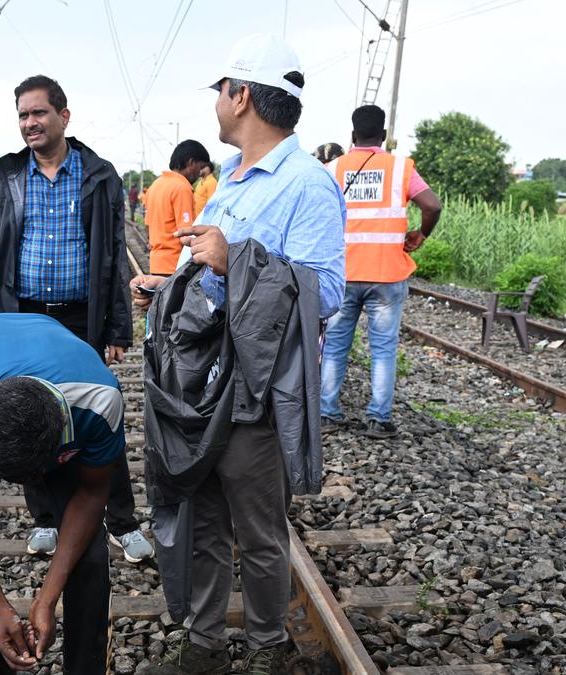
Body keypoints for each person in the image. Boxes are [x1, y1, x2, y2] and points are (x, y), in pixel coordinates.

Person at [130, 33, 345, 675]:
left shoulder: (307, 185)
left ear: (241, 95)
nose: (217, 106)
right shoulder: (230, 181)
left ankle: (266, 646)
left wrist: (234, 257)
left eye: (221, 92)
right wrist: (169, 289)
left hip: (254, 392)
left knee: (258, 531)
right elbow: (215, 278)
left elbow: (327, 291)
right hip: (202, 384)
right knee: (201, 520)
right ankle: (202, 646)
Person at [0, 75, 148, 563]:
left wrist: (117, 327)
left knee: (98, 414)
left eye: (39, 113)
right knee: (30, 416)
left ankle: (122, 521)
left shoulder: (99, 175)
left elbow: (113, 255)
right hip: (24, 315)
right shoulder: (8, 176)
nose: (30, 123)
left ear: (63, 116)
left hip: (79, 317)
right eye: (23, 115)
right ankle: (46, 519)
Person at [0, 313, 124, 674]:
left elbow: (93, 493)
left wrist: (46, 599)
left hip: (62, 407)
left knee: (91, 562)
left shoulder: (98, 402)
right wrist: (0, 607)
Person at [320, 104, 442, 438]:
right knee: (384, 349)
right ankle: (378, 419)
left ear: (352, 134)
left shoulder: (332, 169)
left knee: (334, 345)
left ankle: (327, 414)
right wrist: (421, 233)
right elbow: (432, 205)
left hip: (343, 273)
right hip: (387, 275)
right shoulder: (401, 168)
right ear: (384, 135)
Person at [142, 140, 210, 275]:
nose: (199, 173)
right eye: (200, 167)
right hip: (174, 266)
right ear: (191, 163)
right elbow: (185, 234)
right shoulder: (181, 187)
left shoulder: (156, 185)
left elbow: (147, 226)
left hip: (156, 264)